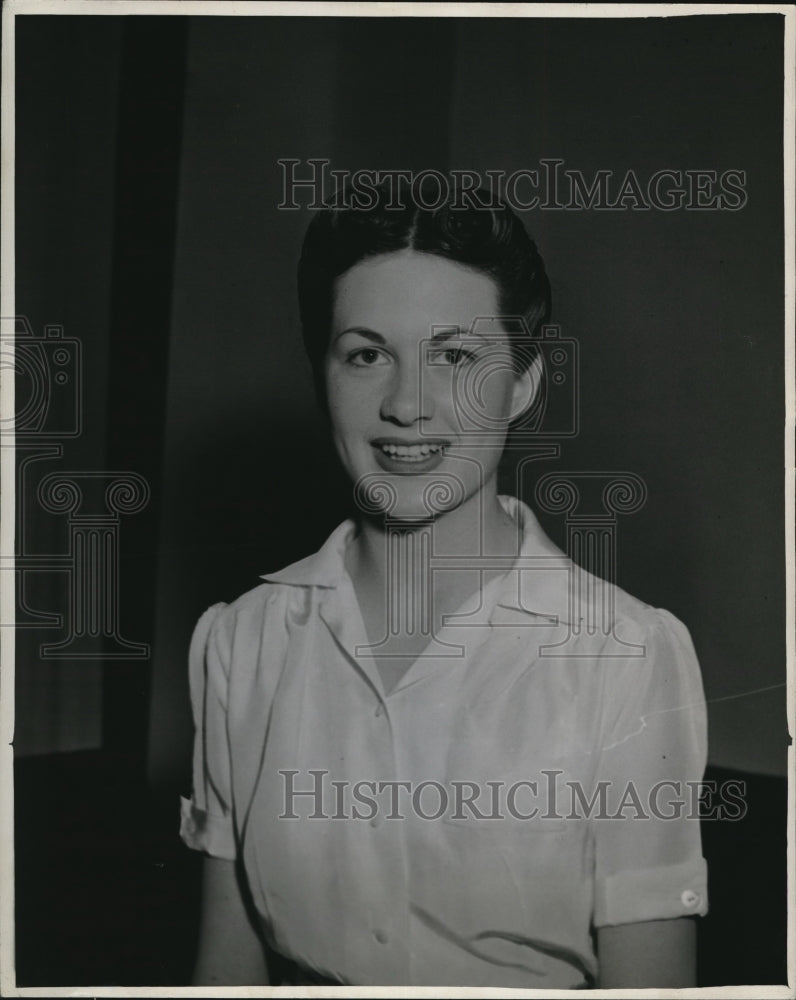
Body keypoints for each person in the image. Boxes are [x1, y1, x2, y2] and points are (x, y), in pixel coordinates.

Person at [180, 182, 709, 988]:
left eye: (455, 356)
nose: (404, 403)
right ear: (324, 373)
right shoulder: (240, 642)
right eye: (366, 353)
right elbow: (226, 971)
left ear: (524, 384)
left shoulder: (626, 657)